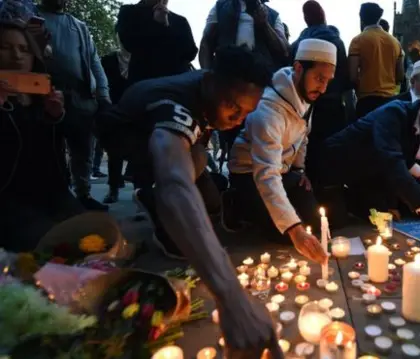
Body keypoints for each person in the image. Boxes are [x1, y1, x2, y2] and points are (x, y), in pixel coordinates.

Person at [97, 45, 284, 358]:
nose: (237, 120)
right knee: (179, 212)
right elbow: (175, 182)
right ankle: (149, 193)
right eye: (233, 108)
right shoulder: (177, 105)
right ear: (210, 82)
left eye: (246, 114)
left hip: (180, 140)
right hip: (127, 134)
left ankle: (163, 193)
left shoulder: (213, 93)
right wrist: (232, 297)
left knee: (210, 198)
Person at [224, 39, 336, 264]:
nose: (323, 88)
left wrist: (299, 169)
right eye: (319, 79)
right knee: (287, 236)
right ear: (298, 69)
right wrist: (294, 229)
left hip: (283, 171)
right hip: (250, 173)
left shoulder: (306, 94)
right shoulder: (267, 109)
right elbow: (266, 174)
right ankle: (235, 202)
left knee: (316, 227)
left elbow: (303, 135)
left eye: (328, 81)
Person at [319, 82, 420, 241]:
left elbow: (404, 161)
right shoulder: (393, 113)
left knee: (384, 215)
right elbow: (392, 162)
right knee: (336, 220)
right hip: (335, 170)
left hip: (370, 175)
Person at [0, 20, 84, 251]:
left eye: (24, 49)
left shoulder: (43, 94)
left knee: (96, 238)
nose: (16, 56)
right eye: (5, 48)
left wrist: (57, 116)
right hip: (9, 202)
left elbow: (81, 139)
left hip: (53, 194)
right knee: (56, 247)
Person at [38, 0, 110, 211]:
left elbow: (94, 62)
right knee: (51, 148)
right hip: (47, 95)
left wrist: (104, 96)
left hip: (81, 98)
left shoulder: (79, 26)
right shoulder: (32, 18)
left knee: (83, 150)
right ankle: (57, 194)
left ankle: (83, 194)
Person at [290, 0, 350, 181]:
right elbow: (346, 77)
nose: (322, 85)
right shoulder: (336, 41)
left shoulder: (298, 43)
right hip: (333, 105)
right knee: (330, 149)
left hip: (305, 105)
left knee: (308, 146)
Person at [116, 0, 198, 84]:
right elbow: (129, 43)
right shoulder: (129, 12)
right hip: (145, 83)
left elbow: (190, 53)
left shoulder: (180, 21)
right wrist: (158, 25)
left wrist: (165, 26)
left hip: (178, 83)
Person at [200, 0, 288, 72]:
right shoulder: (220, 7)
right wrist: (207, 73)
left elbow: (284, 51)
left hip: (260, 80)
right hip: (226, 76)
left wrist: (265, 25)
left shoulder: (273, 15)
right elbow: (206, 43)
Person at [348, 2, 403, 118]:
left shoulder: (357, 41)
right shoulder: (395, 43)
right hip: (390, 101)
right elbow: (400, 77)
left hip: (366, 102)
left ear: (361, 18)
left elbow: (352, 76)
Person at [101, 36, 131, 203]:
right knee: (114, 151)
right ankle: (113, 188)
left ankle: (142, 189)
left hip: (136, 110)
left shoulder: (143, 61)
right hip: (114, 111)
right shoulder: (108, 60)